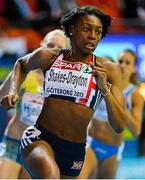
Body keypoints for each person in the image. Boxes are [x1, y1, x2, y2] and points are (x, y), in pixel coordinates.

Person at [1, 6, 126, 179]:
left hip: (74, 149)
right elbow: (21, 64)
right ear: (72, 30)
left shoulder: (109, 70)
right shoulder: (49, 57)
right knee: (50, 176)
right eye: (86, 29)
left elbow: (119, 126)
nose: (92, 35)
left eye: (98, 32)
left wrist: (105, 90)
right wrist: (14, 90)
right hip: (40, 138)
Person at [0, 29, 69, 179]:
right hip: (14, 142)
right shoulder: (26, 72)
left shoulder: (64, 84)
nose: (53, 50)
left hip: (38, 148)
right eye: (50, 45)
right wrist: (12, 86)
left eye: (59, 48)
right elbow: (1, 95)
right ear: (41, 45)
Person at [78, 49, 144, 179]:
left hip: (112, 150)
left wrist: (121, 107)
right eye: (120, 61)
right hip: (91, 143)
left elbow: (136, 131)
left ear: (134, 69)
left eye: (127, 62)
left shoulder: (135, 95)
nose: (122, 65)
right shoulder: (101, 84)